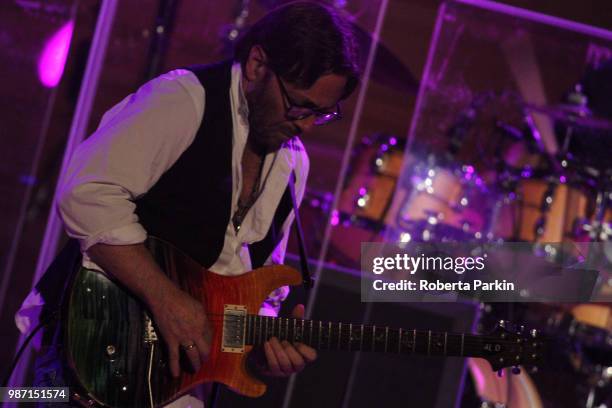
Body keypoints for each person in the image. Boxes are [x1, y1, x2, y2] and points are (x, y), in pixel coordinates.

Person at [15, 1, 360, 406]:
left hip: (176, 384)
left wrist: (264, 345)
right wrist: (165, 298)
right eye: (299, 105)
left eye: (322, 114)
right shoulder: (183, 100)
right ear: (256, 65)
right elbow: (87, 193)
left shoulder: (293, 163)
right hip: (93, 349)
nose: (305, 125)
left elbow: (251, 286)